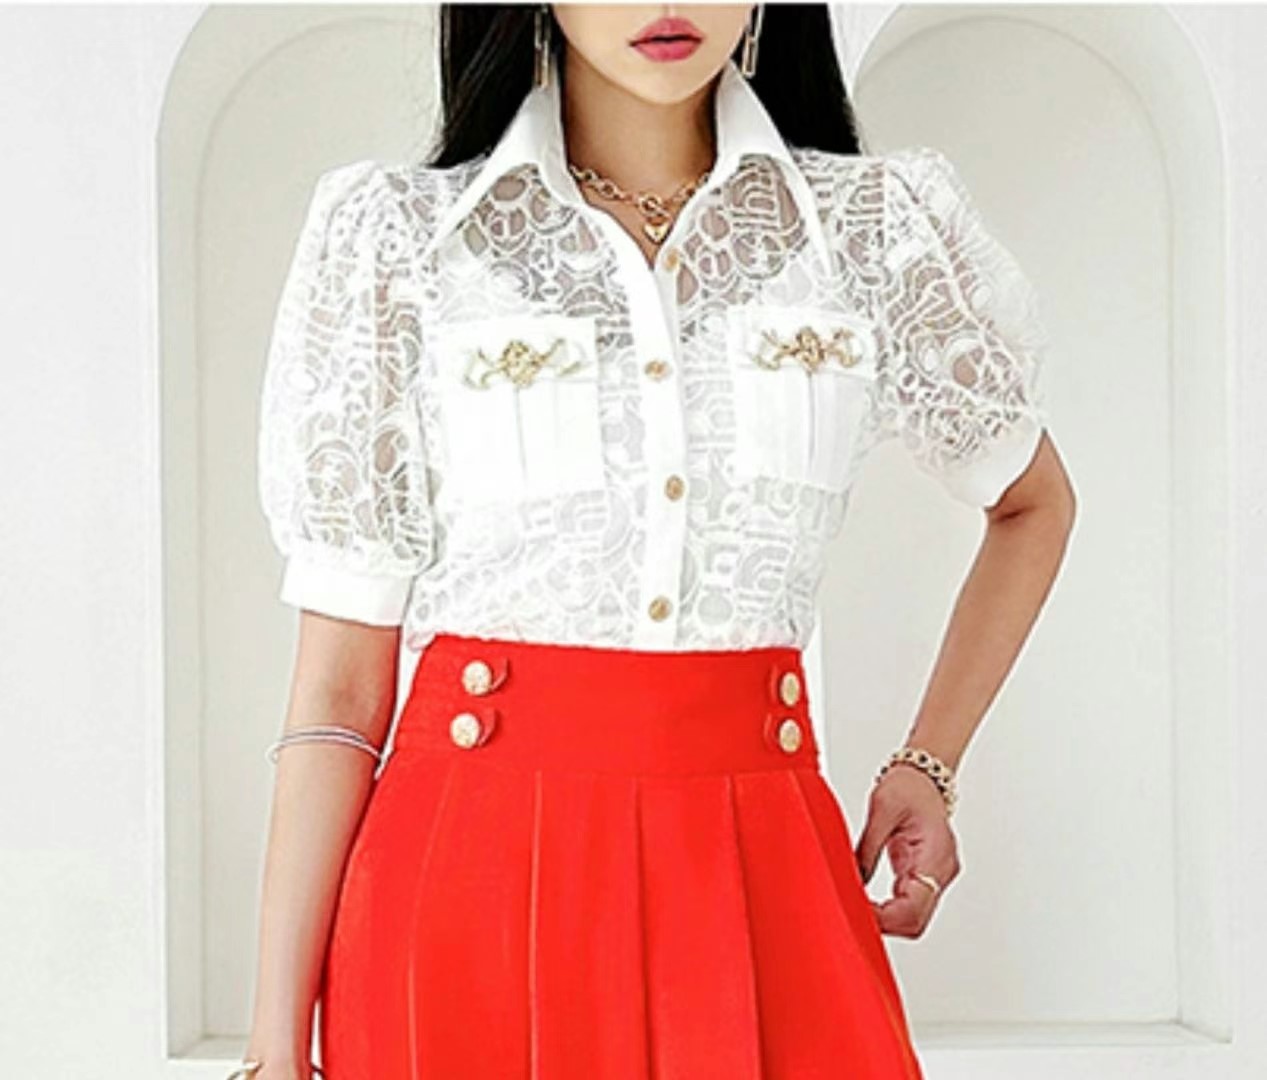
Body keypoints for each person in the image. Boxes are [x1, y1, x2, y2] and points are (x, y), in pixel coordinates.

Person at [233, 3, 1076, 1078]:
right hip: (461, 893)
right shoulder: (401, 239)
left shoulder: (866, 230)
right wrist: (273, 1046)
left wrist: (928, 764)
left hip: (763, 867)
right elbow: (339, 695)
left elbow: (1031, 504)